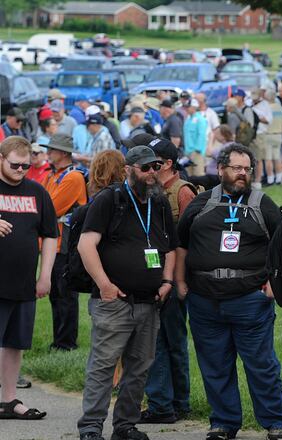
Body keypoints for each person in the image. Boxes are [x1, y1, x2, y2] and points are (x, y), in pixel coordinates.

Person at [176, 143, 282, 440]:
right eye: (236, 168)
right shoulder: (201, 204)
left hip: (249, 300)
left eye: (247, 169)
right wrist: (180, 281)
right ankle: (223, 423)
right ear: (221, 169)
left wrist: (274, 281)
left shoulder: (263, 205)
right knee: (215, 365)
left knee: (261, 365)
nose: (242, 174)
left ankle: (276, 422)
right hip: (204, 301)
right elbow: (181, 244)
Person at [77, 146, 177, 440]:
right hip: (114, 302)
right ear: (128, 170)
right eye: (145, 168)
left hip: (150, 300)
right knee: (103, 365)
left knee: (140, 367)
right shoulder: (109, 199)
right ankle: (91, 427)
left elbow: (170, 248)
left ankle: (125, 425)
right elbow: (86, 245)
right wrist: (104, 285)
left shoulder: (159, 202)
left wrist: (167, 281)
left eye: (155, 167)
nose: (151, 173)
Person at [141, 137, 198, 425]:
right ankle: (167, 403)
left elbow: (188, 242)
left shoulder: (182, 192)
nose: (149, 168)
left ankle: (176, 403)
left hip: (175, 280)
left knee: (172, 341)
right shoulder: (151, 191)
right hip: (155, 276)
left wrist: (179, 281)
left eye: (153, 163)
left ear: (167, 164)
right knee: (158, 341)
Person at [0, 136, 57, 420]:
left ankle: (8, 400)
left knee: (15, 343)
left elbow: (50, 235)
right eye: (15, 165)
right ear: (1, 159)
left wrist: (45, 275)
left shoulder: (37, 192)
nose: (21, 170)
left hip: (23, 283)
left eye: (25, 166)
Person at [41, 133, 88, 351]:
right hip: (54, 243)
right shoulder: (53, 175)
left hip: (66, 245)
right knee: (56, 295)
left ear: (62, 153)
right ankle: (59, 341)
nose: (48, 153)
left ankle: (66, 343)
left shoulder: (73, 177)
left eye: (51, 149)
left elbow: (50, 208)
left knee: (65, 295)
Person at [250, 88, 275, 188]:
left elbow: (269, 120)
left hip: (260, 134)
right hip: (251, 134)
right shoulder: (249, 103)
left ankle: (258, 180)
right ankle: (252, 179)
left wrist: (257, 118)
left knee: (259, 158)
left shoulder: (265, 105)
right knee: (251, 158)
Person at [184, 99, 209, 178]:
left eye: (188, 107)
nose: (186, 108)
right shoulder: (188, 119)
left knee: (199, 174)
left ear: (194, 107)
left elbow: (202, 135)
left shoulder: (200, 119)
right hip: (188, 151)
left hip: (196, 152)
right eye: (186, 107)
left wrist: (198, 149)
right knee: (189, 175)